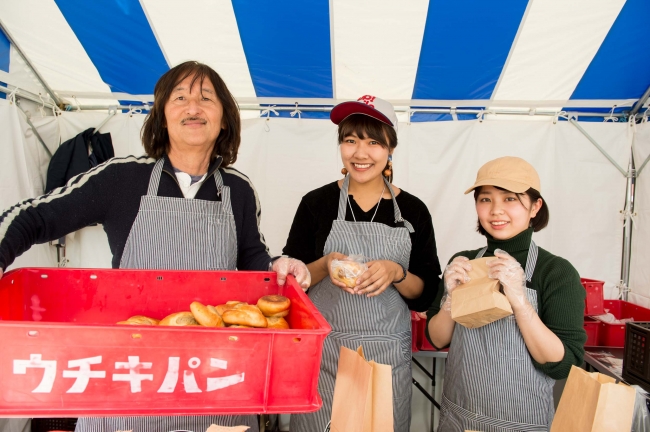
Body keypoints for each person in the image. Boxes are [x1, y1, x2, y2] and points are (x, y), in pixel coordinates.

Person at [0, 61, 310, 432]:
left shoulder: (238, 190)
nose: (193, 108)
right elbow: (33, 217)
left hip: (214, 378)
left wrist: (280, 264)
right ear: (162, 116)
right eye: (180, 98)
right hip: (132, 373)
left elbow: (253, 261)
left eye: (206, 98)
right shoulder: (120, 178)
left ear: (225, 118)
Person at [284, 95, 441, 431]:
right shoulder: (316, 204)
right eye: (350, 140)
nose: (360, 152)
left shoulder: (413, 211)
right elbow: (293, 285)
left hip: (386, 360)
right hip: (326, 354)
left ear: (390, 149)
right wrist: (325, 264)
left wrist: (397, 272)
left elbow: (427, 293)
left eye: (373, 142)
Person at [426, 156, 587, 431]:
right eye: (485, 199)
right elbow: (437, 338)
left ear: (535, 206)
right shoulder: (464, 263)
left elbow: (564, 365)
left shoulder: (556, 272)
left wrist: (519, 300)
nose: (496, 210)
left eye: (510, 199)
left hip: (521, 423)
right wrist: (450, 300)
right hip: (457, 416)